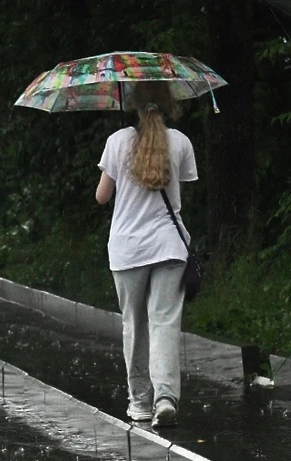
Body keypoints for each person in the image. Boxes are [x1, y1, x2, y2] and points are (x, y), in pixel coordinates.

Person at [95, 81, 198, 428]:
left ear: (134, 105)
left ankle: (139, 402)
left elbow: (102, 197)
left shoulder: (118, 141)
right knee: (165, 322)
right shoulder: (180, 142)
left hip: (128, 249)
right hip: (169, 245)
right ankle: (165, 398)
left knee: (134, 325)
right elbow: (177, 191)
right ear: (169, 104)